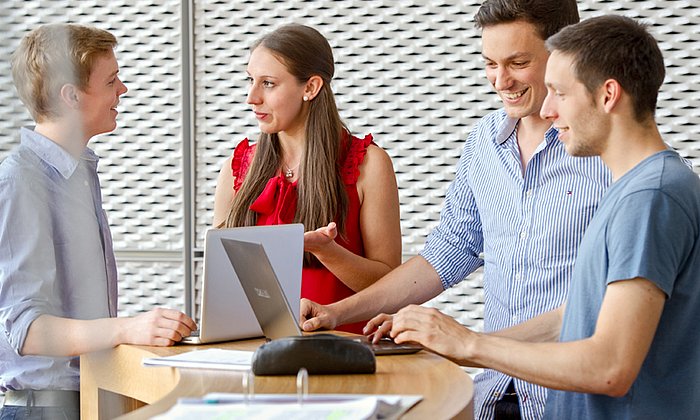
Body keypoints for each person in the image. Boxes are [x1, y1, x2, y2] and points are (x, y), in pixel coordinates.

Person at [300, 1, 611, 418]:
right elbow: (447, 253)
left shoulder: (608, 151)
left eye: (518, 62)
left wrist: (467, 341)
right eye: (490, 63)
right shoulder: (484, 141)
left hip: (576, 398)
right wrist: (337, 313)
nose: (501, 81)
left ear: (563, 57)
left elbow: (610, 302)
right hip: (496, 391)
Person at [389, 14, 700, 419]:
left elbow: (610, 367)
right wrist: (461, 344)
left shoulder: (651, 198)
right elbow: (576, 316)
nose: (548, 110)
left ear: (608, 95)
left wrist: (470, 345)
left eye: (559, 93)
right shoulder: (635, 189)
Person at [0, 24, 196, 419]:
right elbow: (26, 329)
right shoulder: (21, 180)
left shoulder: (79, 172)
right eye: (111, 80)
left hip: (88, 399)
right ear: (71, 96)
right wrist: (127, 329)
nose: (122, 89)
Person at [212, 24, 402, 334]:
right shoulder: (236, 168)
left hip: (344, 352)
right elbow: (223, 282)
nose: (252, 97)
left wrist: (328, 251)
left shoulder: (369, 164)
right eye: (251, 81)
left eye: (268, 83)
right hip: (253, 353)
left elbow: (391, 286)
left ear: (310, 87)